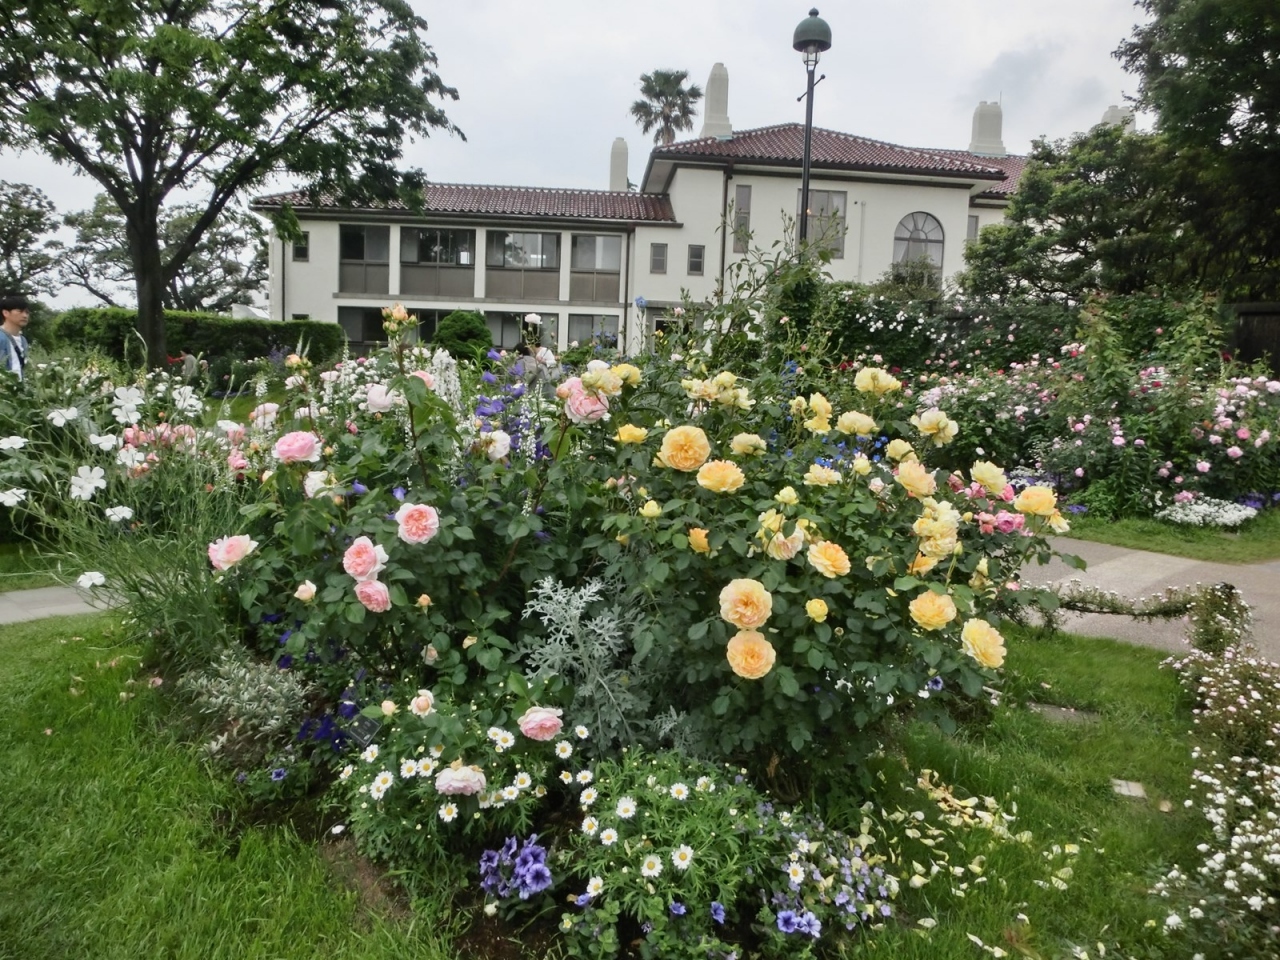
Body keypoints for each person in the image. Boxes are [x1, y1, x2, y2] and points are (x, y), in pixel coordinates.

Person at [0, 293, 31, 381]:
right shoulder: (1, 337)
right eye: (20, 311)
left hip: (17, 392)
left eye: (27, 312)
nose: (25, 315)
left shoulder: (23, 340)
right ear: (5, 313)